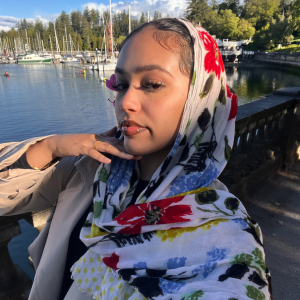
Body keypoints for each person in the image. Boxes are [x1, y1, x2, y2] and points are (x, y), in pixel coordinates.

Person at [0, 18, 271, 300]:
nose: (126, 101)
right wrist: (52, 146)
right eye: (121, 84)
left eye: (152, 84)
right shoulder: (89, 170)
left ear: (201, 98)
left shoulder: (224, 231)